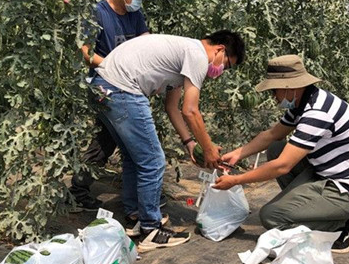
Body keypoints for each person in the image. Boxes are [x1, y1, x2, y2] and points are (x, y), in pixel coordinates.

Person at [92, 30, 245, 251]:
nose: (221, 72)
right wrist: (208, 148)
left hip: (104, 86)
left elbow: (172, 107)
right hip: (122, 89)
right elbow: (190, 110)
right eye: (226, 65)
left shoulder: (185, 54)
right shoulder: (198, 55)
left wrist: (189, 143)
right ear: (220, 49)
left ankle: (136, 216)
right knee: (153, 161)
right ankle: (151, 230)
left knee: (134, 157)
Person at [215, 54, 349, 254]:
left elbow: (283, 166)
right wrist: (238, 154)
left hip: (348, 192)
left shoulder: (317, 113)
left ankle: (344, 225)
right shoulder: (306, 101)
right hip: (328, 174)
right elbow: (272, 135)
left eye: (274, 90)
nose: (273, 97)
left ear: (291, 88)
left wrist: (236, 180)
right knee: (276, 148)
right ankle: (304, 209)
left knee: (272, 217)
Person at [69, 0, 154, 211]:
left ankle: (80, 189)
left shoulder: (135, 15)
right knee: (110, 137)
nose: (139, 1)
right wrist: (113, 67)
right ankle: (79, 190)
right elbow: (86, 52)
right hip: (103, 85)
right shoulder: (97, 13)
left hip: (129, 86)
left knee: (109, 138)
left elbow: (146, 43)